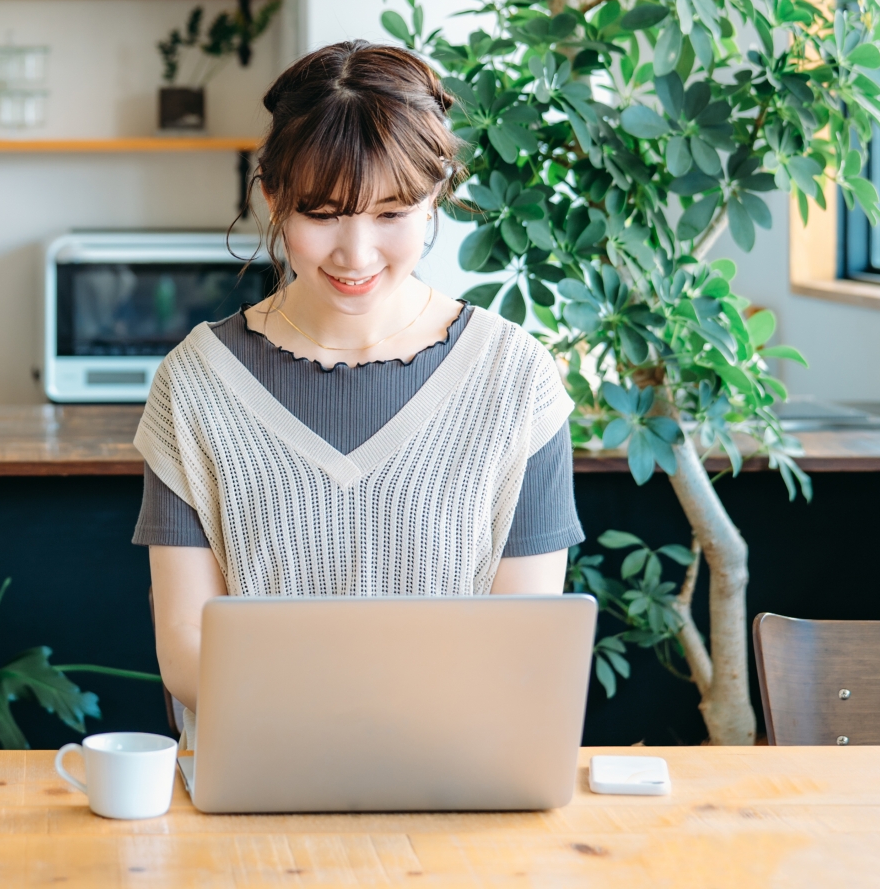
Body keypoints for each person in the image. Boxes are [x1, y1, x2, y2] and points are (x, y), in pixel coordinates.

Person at [133, 41, 583, 714]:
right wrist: (351, 710)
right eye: (321, 214)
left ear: (436, 197)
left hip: (457, 782)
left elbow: (523, 645)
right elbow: (185, 644)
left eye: (391, 213)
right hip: (258, 791)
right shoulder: (196, 383)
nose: (357, 252)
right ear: (272, 199)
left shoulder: (515, 378)